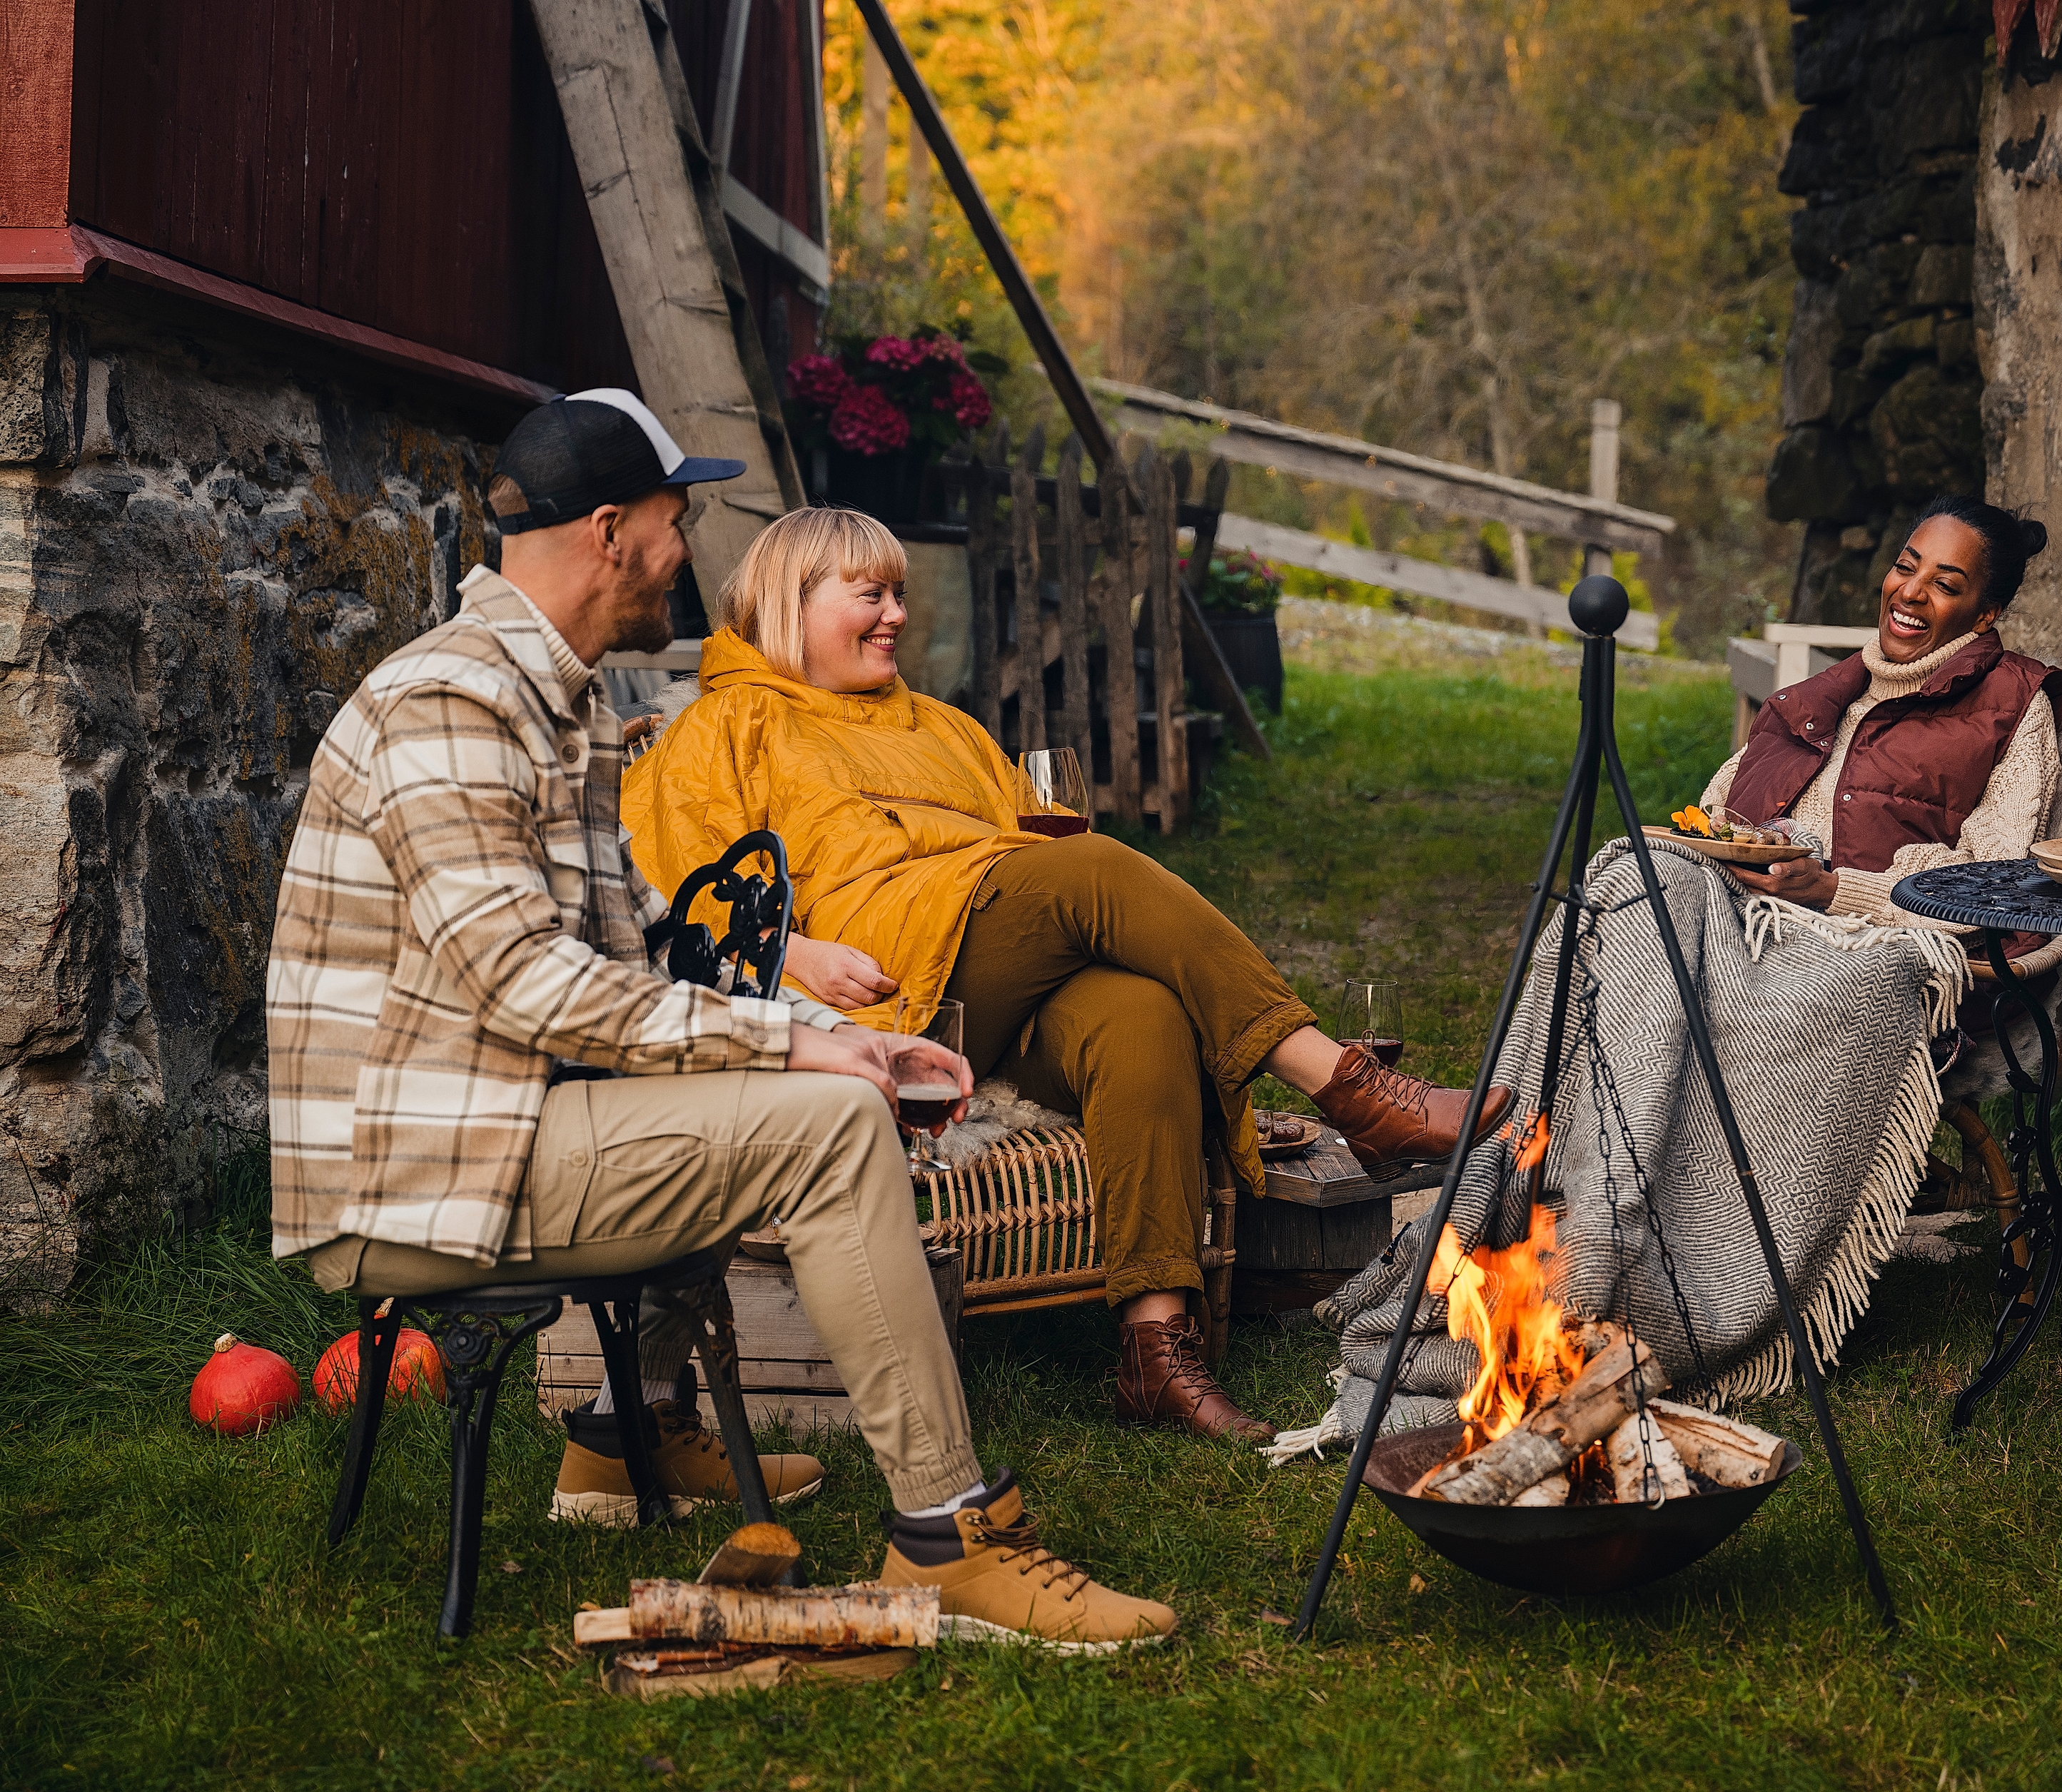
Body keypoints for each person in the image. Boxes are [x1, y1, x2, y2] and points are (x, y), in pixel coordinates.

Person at [268, 390, 1175, 1651]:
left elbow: (654, 951)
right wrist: (804, 1053)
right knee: (823, 1130)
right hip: (423, 1175)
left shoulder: (559, 703)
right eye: (673, 519)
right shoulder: (452, 706)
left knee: (806, 1091)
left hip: (514, 1125)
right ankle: (950, 1536)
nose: (689, 549)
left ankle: (610, 1444)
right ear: (607, 533)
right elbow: (527, 982)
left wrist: (839, 1031)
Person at [622, 505, 1512, 1444]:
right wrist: (792, 950)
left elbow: (1027, 844)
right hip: (878, 990)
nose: (893, 614)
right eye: (867, 594)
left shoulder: (940, 725)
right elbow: (669, 900)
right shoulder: (726, 725)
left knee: (1141, 1010)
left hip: (992, 963)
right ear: (789, 604)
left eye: (900, 595)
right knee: (1088, 866)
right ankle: (1348, 1086)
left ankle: (1153, 1347)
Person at [1701, 495, 2062, 933]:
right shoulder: (1816, 699)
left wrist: (1832, 890)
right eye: (1905, 567)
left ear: (1984, 615)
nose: (1912, 592)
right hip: (1740, 913)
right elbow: (1714, 814)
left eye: (1946, 585)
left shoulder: (2014, 704)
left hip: (1865, 945)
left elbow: (1991, 884)